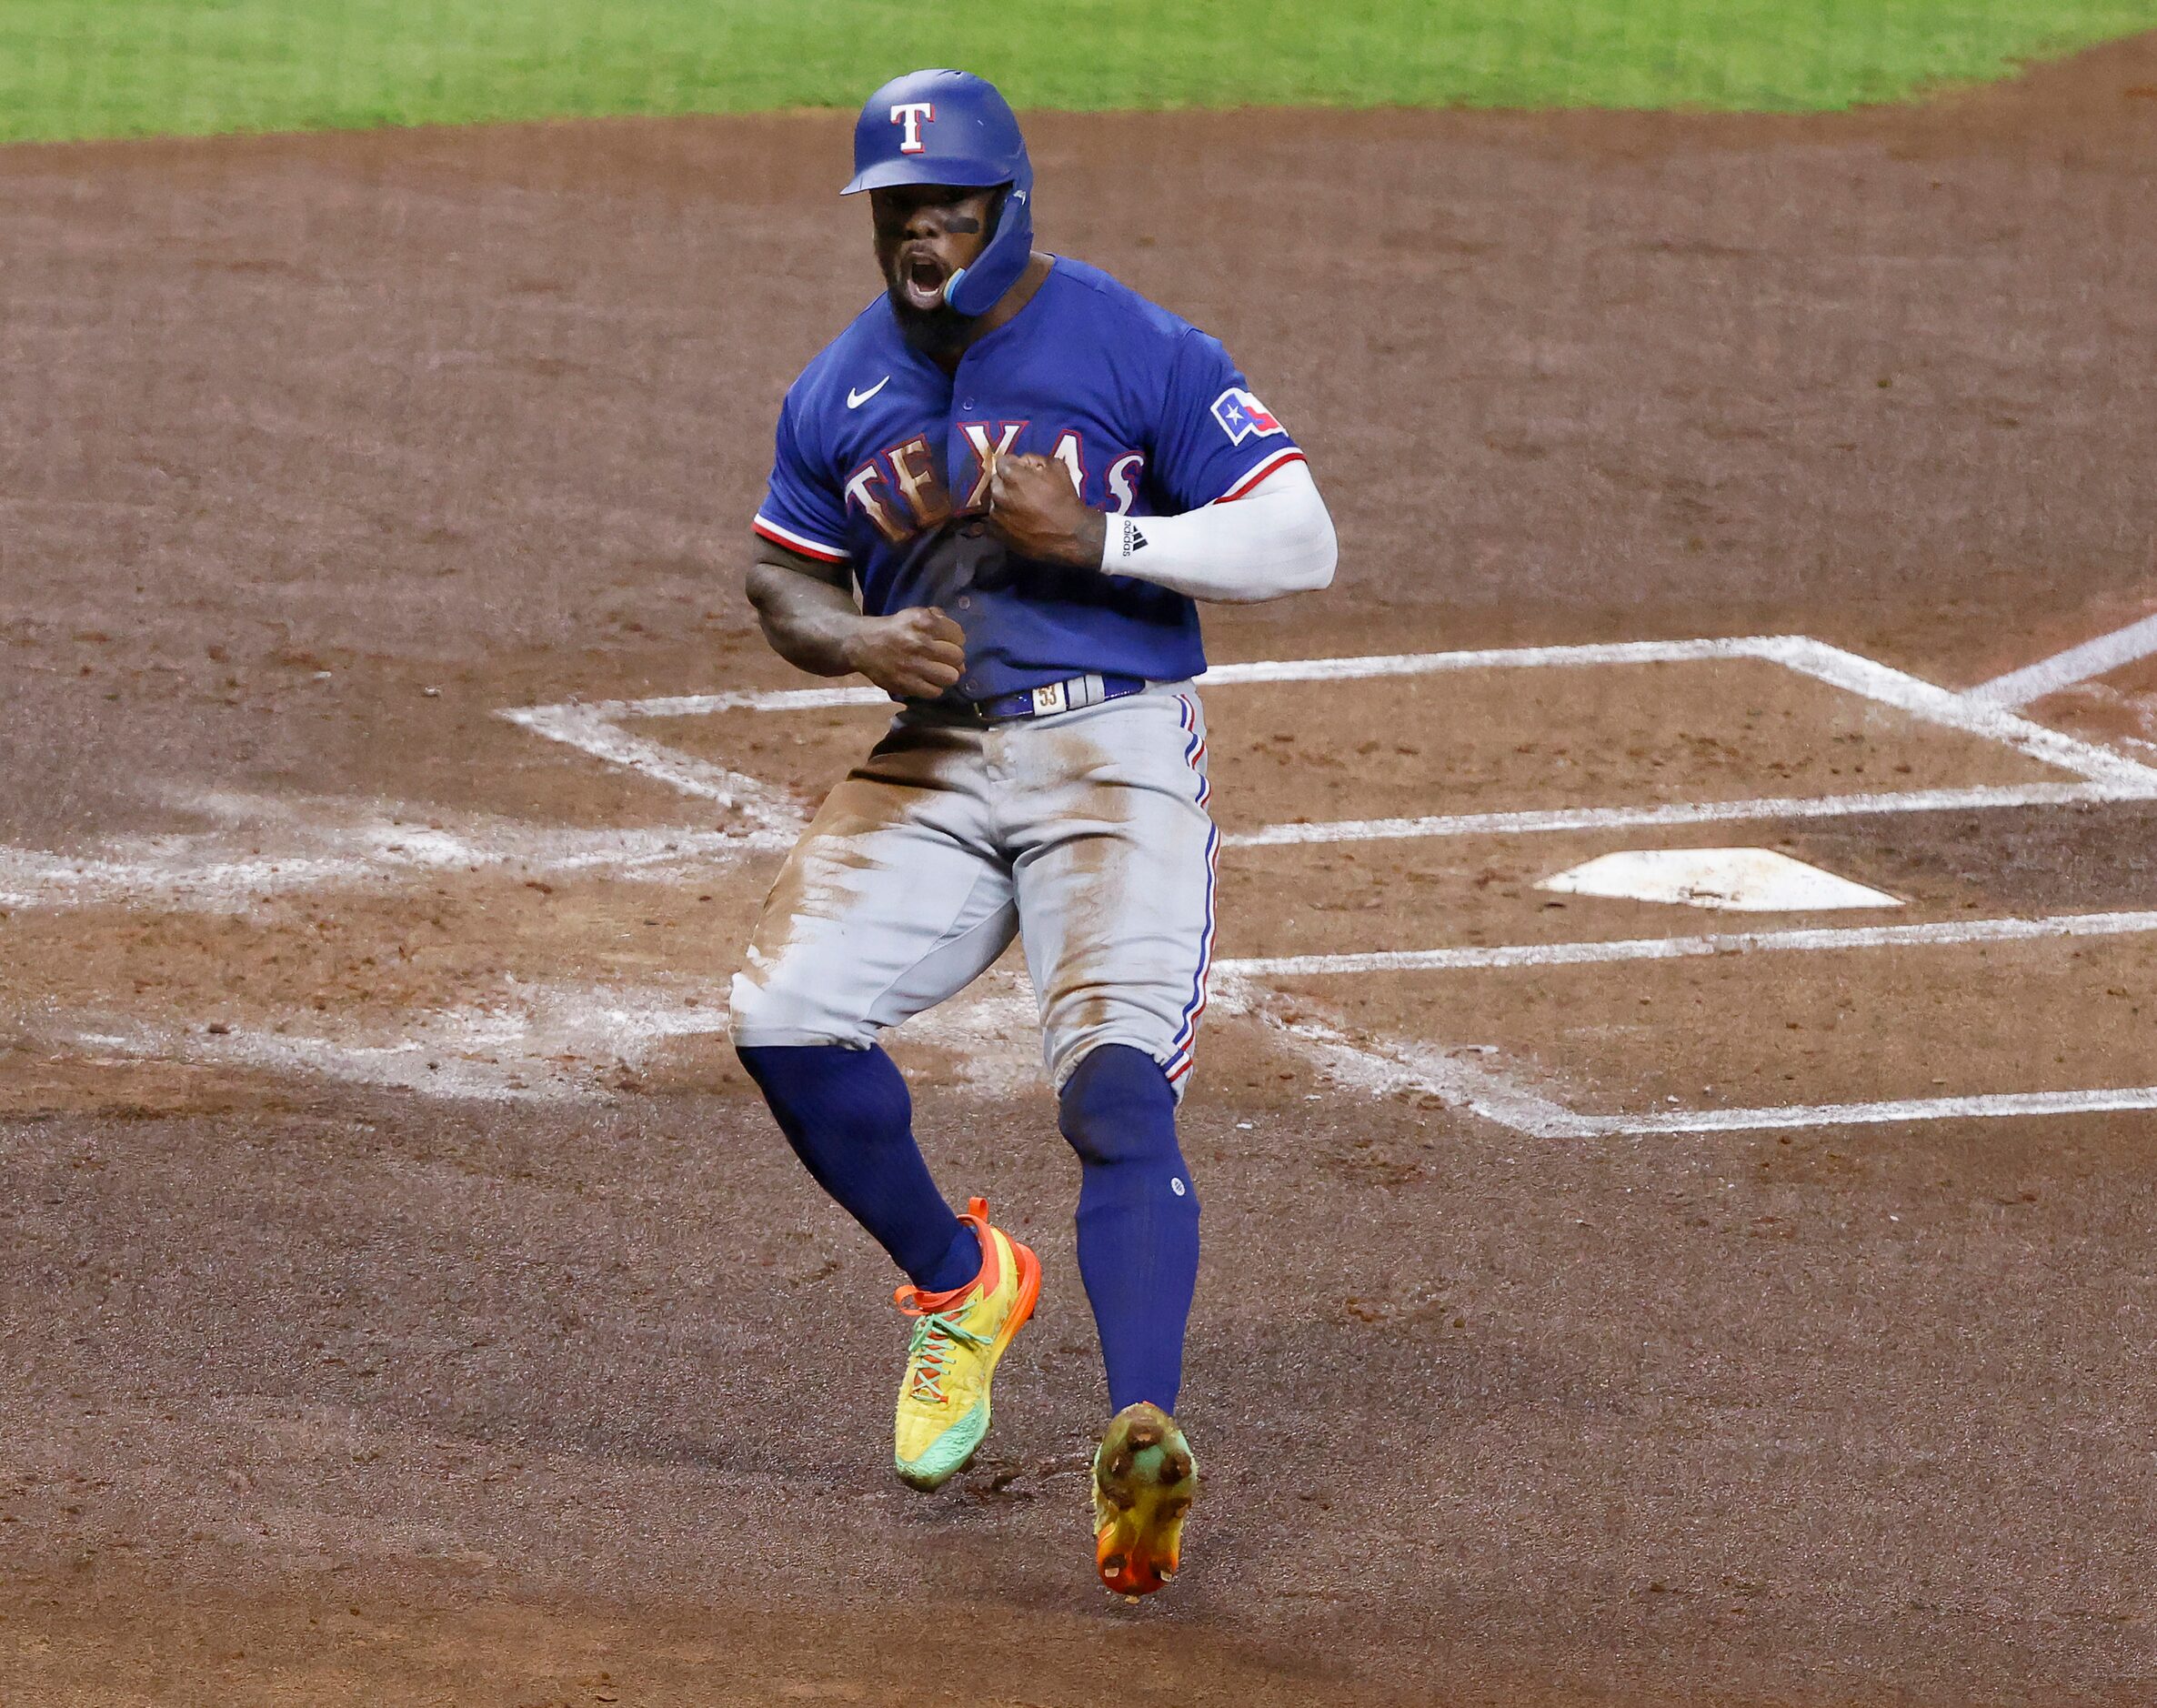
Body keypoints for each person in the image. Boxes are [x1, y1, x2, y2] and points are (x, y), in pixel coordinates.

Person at [729, 66, 1336, 1598]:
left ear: (1007, 205)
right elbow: (780, 579)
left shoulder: (1131, 342)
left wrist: (1111, 537)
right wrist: (856, 647)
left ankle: (1140, 1433)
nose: (922, 228)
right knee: (783, 1022)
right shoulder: (841, 385)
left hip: (1114, 743)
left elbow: (1300, 533)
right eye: (897, 207)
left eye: (948, 202)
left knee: (1114, 1092)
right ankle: (962, 1278)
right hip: (933, 755)